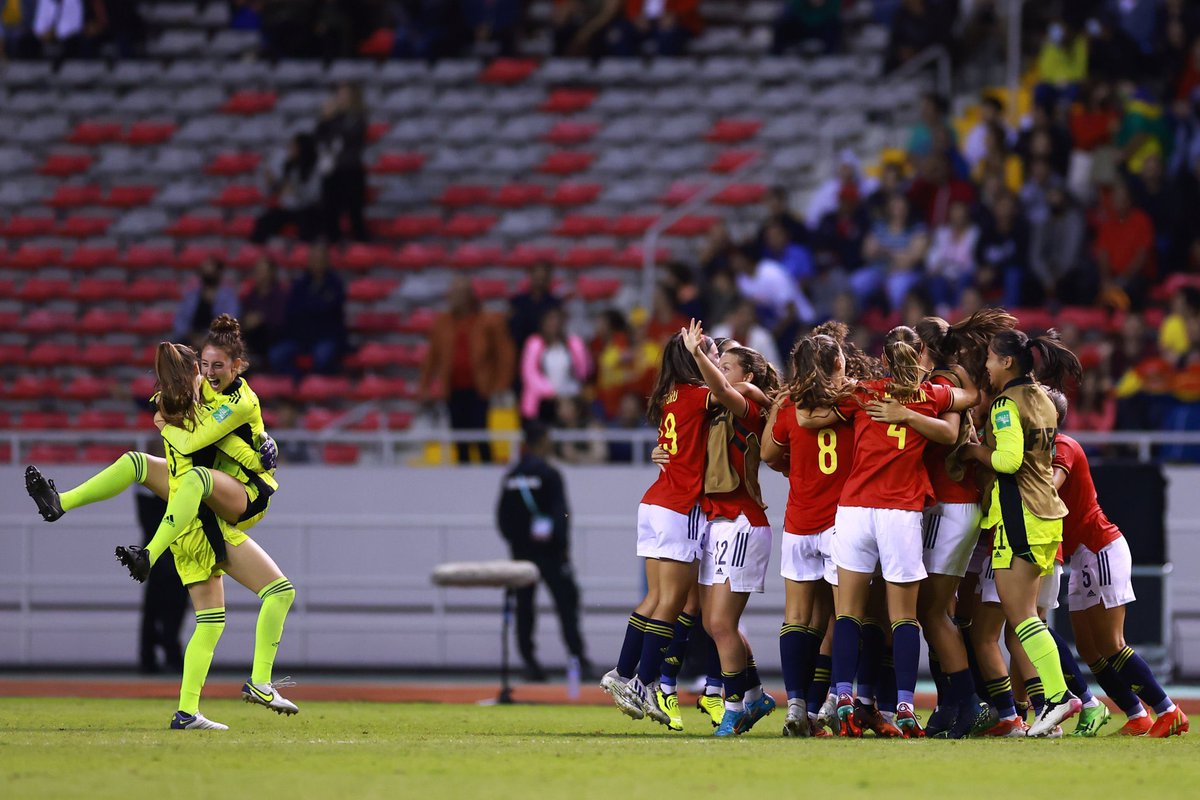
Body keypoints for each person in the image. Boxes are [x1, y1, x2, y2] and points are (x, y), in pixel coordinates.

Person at [795, 326, 979, 738]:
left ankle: (842, 696)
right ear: (918, 356)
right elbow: (970, 400)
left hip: (856, 509)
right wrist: (928, 402)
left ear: (883, 355)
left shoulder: (862, 392)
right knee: (904, 616)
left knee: (849, 613)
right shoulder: (929, 396)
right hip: (900, 512)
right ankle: (905, 706)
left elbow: (809, 416)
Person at [114, 342, 298, 730]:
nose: (209, 373)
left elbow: (227, 441)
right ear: (194, 371)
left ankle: (186, 712)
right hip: (203, 523)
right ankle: (261, 682)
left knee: (210, 621)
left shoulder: (172, 404)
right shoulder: (200, 411)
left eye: (215, 365)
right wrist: (262, 458)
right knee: (279, 592)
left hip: (184, 523)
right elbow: (206, 442)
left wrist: (264, 448)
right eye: (203, 366)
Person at [867, 311, 1017, 738]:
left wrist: (906, 414)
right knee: (931, 610)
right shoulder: (952, 381)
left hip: (951, 505)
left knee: (931, 612)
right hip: (948, 506)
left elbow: (950, 435)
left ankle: (967, 702)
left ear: (925, 350)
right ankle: (953, 706)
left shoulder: (945, 383)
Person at [958, 328, 1085, 737]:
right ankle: (1054, 701)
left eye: (992, 360)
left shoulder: (1004, 405)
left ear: (1008, 362)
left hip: (1021, 516)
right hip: (1047, 514)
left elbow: (1008, 461)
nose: (988, 367)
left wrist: (972, 450)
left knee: (1022, 616)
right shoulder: (1044, 398)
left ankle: (1059, 697)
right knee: (1029, 618)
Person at [1048, 390, 1189, 737]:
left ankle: (1168, 710)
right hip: (1082, 554)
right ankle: (1136, 713)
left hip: (1101, 548)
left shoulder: (1063, 447)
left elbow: (1049, 488)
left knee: (1111, 643)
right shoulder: (1042, 451)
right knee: (1088, 647)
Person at [666, 323, 779, 737]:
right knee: (719, 624)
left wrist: (698, 355)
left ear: (746, 376)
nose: (718, 368)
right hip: (719, 522)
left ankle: (731, 709)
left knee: (719, 624)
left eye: (726, 365)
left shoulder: (749, 401)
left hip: (743, 523)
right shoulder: (715, 407)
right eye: (718, 362)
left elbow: (724, 392)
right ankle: (754, 697)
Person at [599, 330, 717, 725]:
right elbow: (725, 392)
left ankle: (622, 672)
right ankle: (643, 682)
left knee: (654, 598)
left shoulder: (668, 395)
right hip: (678, 505)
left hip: (654, 501)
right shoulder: (697, 393)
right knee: (672, 601)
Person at [761, 333, 853, 737]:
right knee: (840, 617)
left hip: (800, 521)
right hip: (842, 522)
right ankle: (832, 700)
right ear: (836, 364)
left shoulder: (788, 404)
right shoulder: (854, 399)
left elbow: (767, 453)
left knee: (796, 618)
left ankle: (796, 706)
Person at [496, 422, 590, 683]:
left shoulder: (511, 476)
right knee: (566, 604)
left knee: (525, 608)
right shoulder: (550, 474)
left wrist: (517, 543)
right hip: (550, 554)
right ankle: (577, 659)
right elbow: (561, 514)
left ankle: (529, 663)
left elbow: (502, 518)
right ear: (541, 440)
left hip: (521, 555)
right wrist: (562, 548)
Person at [420, 277, 516, 464]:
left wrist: (501, 384)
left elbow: (505, 355)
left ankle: (487, 471)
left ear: (469, 296)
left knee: (481, 434)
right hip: (453, 389)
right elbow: (431, 358)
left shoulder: (488, 320)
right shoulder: (442, 323)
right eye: (453, 293)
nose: (454, 298)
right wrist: (425, 386)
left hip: (480, 389)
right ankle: (463, 475)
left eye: (459, 293)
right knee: (459, 436)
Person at [269, 244, 347, 378]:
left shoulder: (335, 284)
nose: (316, 263)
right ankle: (297, 383)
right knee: (276, 355)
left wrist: (310, 308)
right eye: (313, 259)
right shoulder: (300, 284)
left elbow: (330, 311)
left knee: (323, 356)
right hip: (300, 337)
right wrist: (316, 306)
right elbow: (293, 310)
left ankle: (316, 387)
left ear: (327, 262)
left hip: (326, 336)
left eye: (319, 259)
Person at [316, 82, 368, 242]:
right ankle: (333, 240)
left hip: (351, 169)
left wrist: (331, 119)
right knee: (329, 208)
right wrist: (325, 119)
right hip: (332, 169)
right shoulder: (331, 118)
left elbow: (350, 136)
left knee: (354, 209)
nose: (340, 98)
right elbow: (319, 137)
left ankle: (359, 242)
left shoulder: (357, 117)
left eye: (344, 94)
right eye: (339, 94)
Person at [519, 307, 590, 423]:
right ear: (543, 322)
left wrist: (579, 348)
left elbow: (583, 372)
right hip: (542, 402)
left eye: (557, 320)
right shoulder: (534, 343)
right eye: (550, 320)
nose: (554, 323)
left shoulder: (573, 343)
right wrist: (552, 393)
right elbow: (529, 374)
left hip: (568, 400)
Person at [250, 133, 322, 244]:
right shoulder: (288, 166)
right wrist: (272, 183)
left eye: (293, 146)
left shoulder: (313, 168)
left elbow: (314, 196)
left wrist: (296, 190)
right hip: (288, 209)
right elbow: (281, 190)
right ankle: (256, 254)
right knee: (264, 221)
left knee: (308, 225)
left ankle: (305, 254)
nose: (289, 149)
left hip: (306, 209)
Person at [172, 257, 239, 347]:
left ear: (218, 272)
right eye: (205, 268)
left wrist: (207, 338)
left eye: (211, 268)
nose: (207, 271)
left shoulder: (228, 296)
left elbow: (230, 320)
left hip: (216, 340)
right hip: (191, 338)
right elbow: (180, 321)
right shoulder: (192, 295)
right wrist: (192, 337)